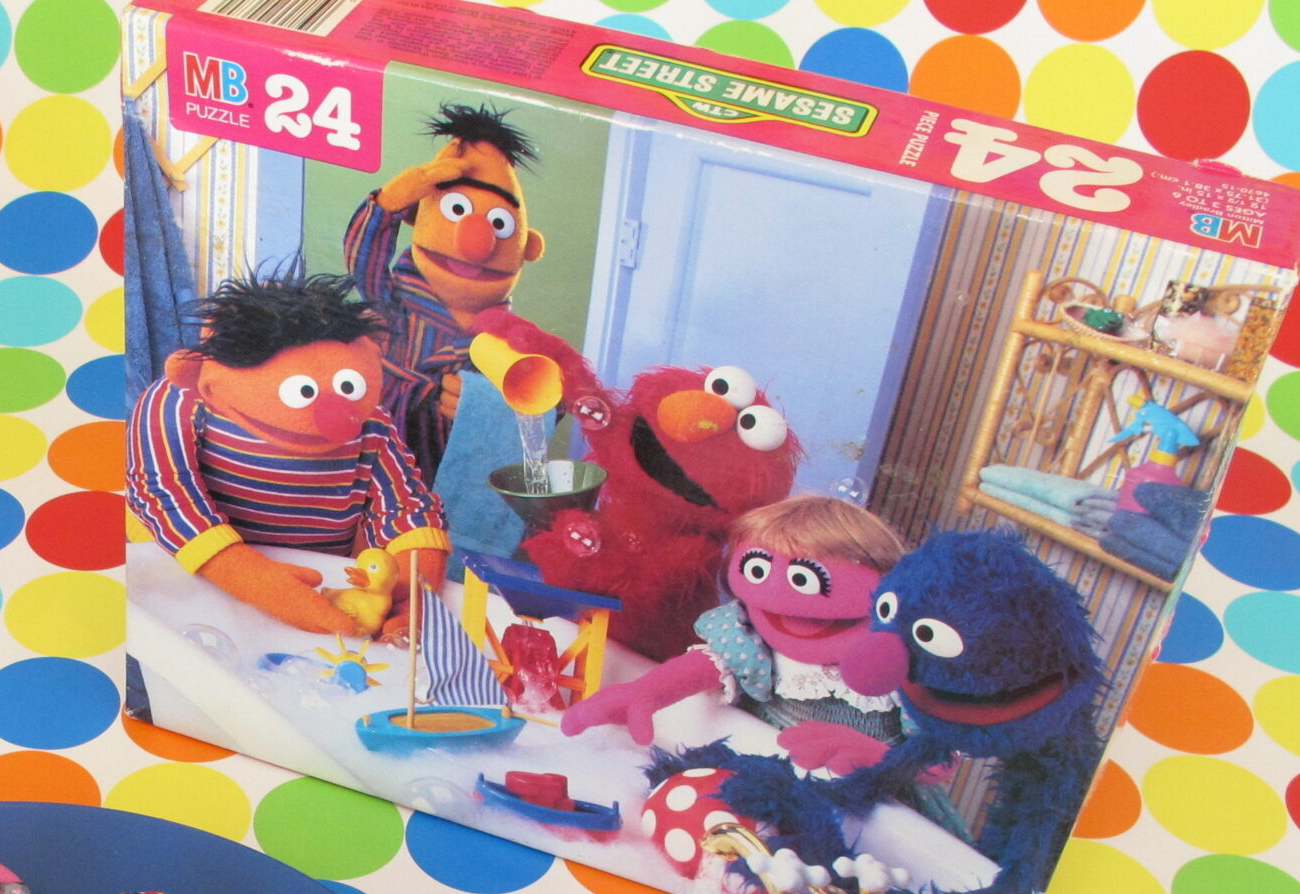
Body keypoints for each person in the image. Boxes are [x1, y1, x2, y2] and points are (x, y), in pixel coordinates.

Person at [128, 271, 447, 636]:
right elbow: (160, 490)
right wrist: (249, 577)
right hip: (187, 574)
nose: (333, 417)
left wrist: (411, 591)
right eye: (305, 392)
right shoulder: (178, 401)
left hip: (317, 577)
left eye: (348, 388)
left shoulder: (369, 421)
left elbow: (408, 507)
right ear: (201, 377)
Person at [561, 493, 906, 773]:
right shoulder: (750, 637)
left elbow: (930, 755)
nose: (778, 594)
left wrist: (881, 757)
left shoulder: (900, 668)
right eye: (758, 570)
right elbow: (710, 664)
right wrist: (644, 692)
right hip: (760, 765)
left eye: (803, 579)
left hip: (870, 800)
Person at [343, 103, 546, 478]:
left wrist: (487, 404)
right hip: (374, 454)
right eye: (457, 209)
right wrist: (386, 205)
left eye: (499, 224)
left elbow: (543, 403)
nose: (476, 243)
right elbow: (362, 262)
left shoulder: (510, 340)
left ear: (527, 247)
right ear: (414, 216)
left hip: (452, 471)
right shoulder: (393, 304)